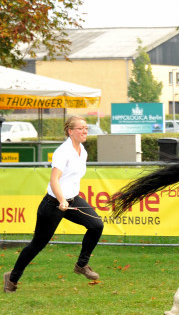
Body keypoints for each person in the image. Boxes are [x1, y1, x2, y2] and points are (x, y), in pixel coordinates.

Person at [4, 116, 104, 293]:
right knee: (37, 245)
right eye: (81, 128)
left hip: (72, 200)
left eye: (86, 128)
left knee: (96, 225)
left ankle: (82, 265)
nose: (85, 131)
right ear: (70, 131)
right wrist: (61, 200)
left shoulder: (82, 150)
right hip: (53, 204)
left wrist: (68, 199)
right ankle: (12, 278)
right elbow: (54, 180)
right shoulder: (62, 152)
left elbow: (71, 179)